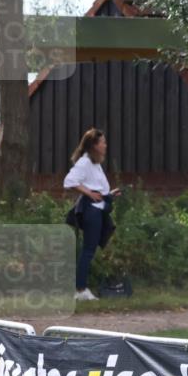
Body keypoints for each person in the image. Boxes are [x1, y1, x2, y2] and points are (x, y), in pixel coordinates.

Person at [64, 128, 121, 301]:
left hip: (99, 210)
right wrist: (88, 193)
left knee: (89, 249)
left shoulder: (95, 164)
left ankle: (81, 288)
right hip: (91, 211)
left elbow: (98, 189)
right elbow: (69, 181)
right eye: (102, 142)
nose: (105, 145)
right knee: (88, 251)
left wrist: (109, 194)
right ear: (94, 146)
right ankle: (80, 290)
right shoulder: (85, 162)